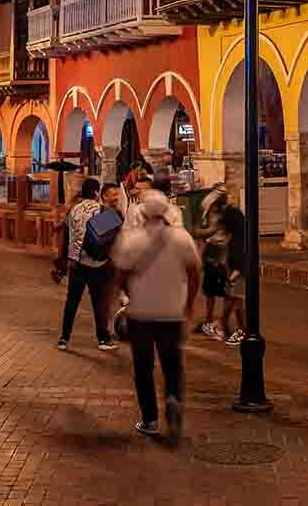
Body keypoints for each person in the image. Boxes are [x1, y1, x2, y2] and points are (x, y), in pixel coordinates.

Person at [113, 190, 200, 444]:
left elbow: (119, 277)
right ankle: (173, 399)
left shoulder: (132, 240)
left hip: (140, 313)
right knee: (172, 364)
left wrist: (119, 301)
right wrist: (189, 304)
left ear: (142, 213)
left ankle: (149, 419)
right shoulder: (182, 238)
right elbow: (195, 272)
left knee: (143, 367)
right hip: (172, 312)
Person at [57, 179, 116, 351]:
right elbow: (108, 238)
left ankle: (64, 338)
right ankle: (103, 339)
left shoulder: (73, 210)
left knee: (72, 302)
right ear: (97, 193)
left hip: (76, 262)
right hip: (97, 264)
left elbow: (67, 234)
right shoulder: (102, 210)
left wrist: (66, 257)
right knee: (99, 301)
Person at [194, 186, 247, 347]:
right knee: (233, 296)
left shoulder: (229, 219)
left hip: (237, 260)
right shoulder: (234, 215)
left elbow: (209, 231)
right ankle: (227, 325)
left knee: (235, 296)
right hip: (236, 258)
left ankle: (241, 330)